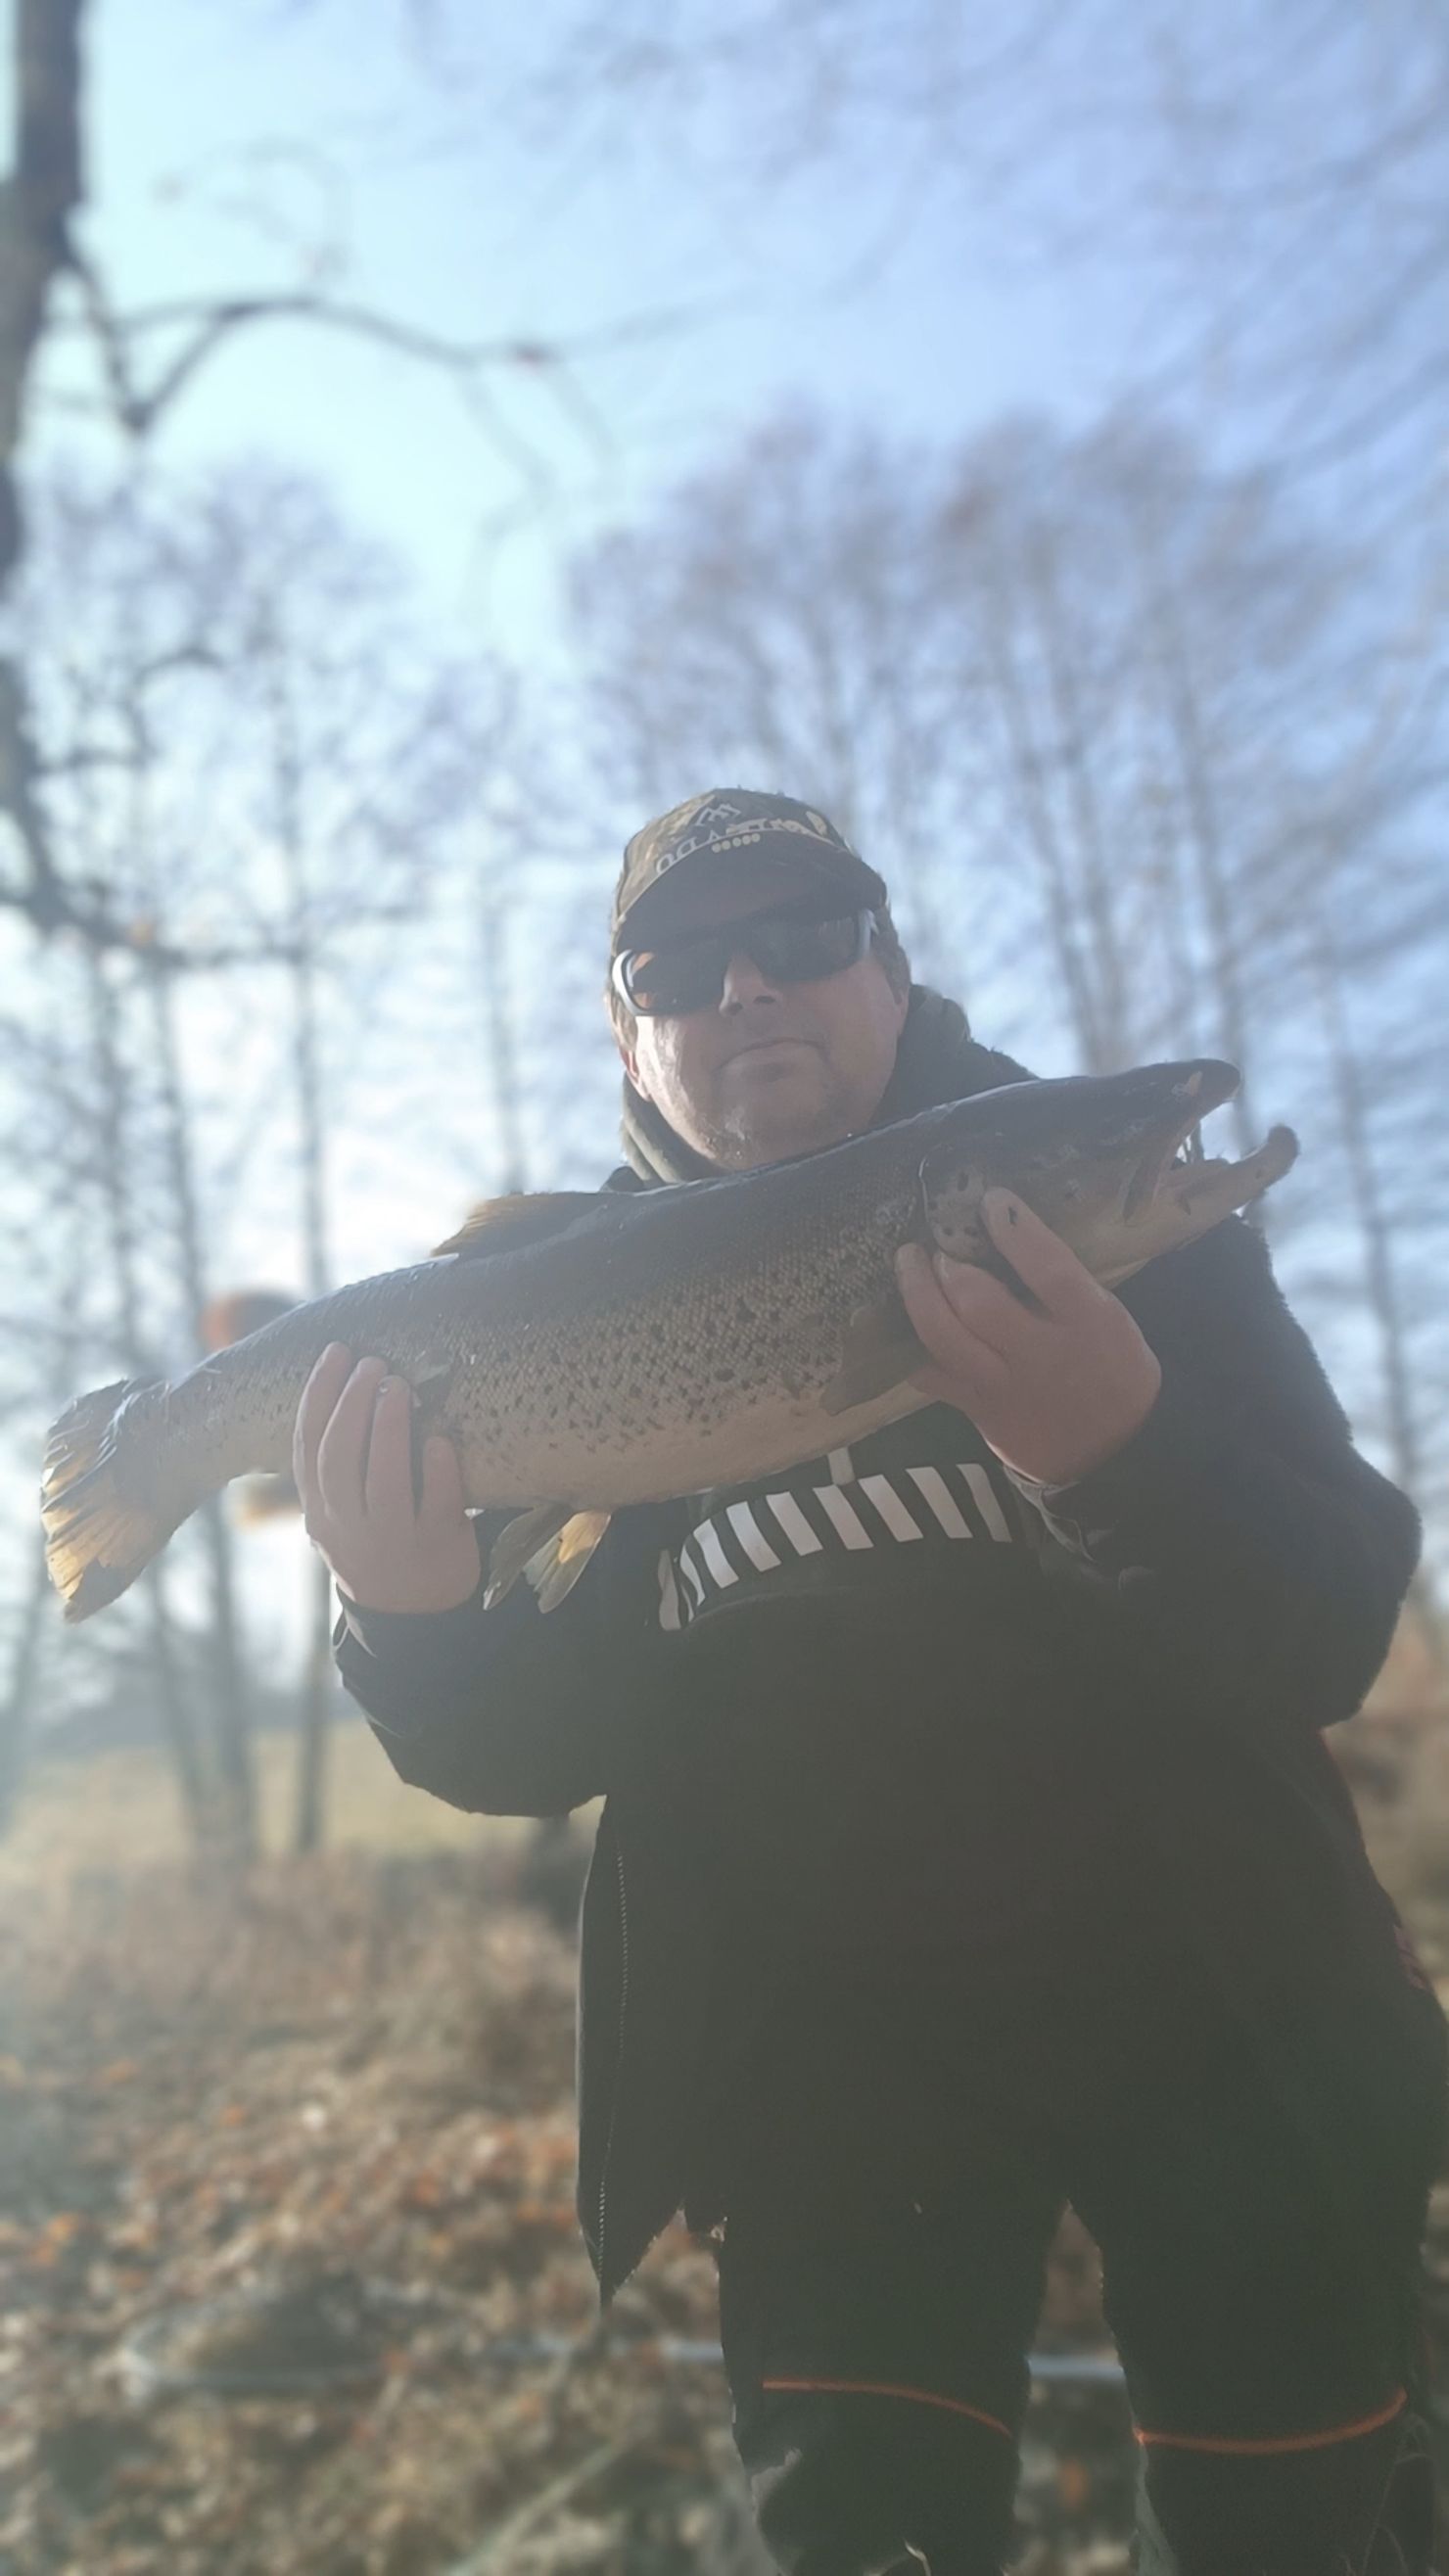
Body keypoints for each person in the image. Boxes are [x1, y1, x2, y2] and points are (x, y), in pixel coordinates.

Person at [301, 789, 1448, 2576]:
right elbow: (530, 1747)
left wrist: (1125, 1452)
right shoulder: (558, 1310)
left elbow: (1336, 1625)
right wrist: (411, 1620)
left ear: (891, 973)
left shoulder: (1122, 1221)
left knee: (1298, 2531)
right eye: (679, 969)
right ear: (626, 1032)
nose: (747, 987)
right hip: (825, 2070)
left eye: (806, 936)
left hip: (1242, 2017)